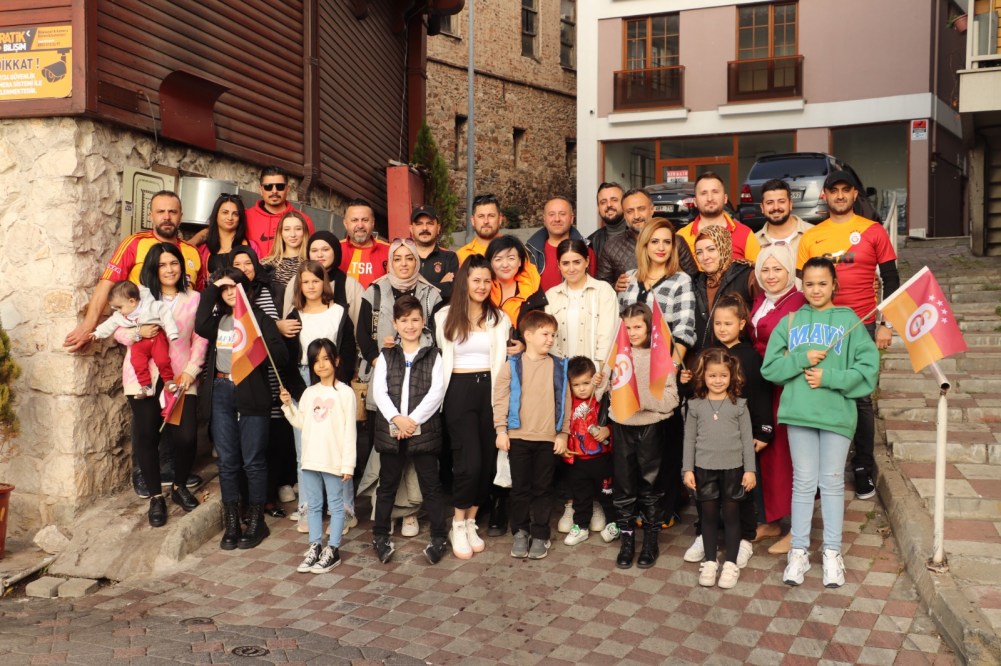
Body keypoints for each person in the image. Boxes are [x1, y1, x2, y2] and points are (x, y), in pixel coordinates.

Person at [761, 257, 879, 588]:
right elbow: (770, 368)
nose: (816, 290)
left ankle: (831, 552)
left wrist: (830, 378)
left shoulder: (849, 320)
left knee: (831, 482)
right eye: (810, 284)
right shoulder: (791, 321)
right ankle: (798, 551)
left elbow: (867, 371)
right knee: (803, 482)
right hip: (799, 412)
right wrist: (800, 359)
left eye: (822, 283)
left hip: (836, 415)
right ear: (802, 286)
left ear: (834, 285)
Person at [796, 170, 898, 501]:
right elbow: (802, 285)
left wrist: (886, 324)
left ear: (855, 194)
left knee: (861, 397)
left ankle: (862, 466)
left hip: (862, 325)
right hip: (824, 326)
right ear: (824, 195)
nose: (839, 195)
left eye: (845, 190)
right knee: (821, 392)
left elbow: (891, 279)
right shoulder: (812, 236)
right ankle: (823, 471)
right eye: (833, 190)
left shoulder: (873, 231)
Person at [109, 243, 207, 524]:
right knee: (147, 436)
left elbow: (201, 337)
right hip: (143, 378)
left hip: (181, 377)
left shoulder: (195, 298)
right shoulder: (139, 296)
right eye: (163, 265)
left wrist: (191, 370)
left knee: (186, 436)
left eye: (174, 263)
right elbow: (118, 331)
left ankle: (178, 486)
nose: (169, 269)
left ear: (181, 266)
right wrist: (138, 332)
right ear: (153, 268)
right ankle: (156, 497)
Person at [195, 267, 289, 550]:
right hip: (221, 390)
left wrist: (259, 343)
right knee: (227, 461)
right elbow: (200, 324)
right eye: (224, 289)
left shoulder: (259, 319)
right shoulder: (218, 320)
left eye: (234, 287)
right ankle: (232, 522)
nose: (229, 293)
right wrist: (214, 287)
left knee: (253, 460)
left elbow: (281, 357)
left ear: (245, 290)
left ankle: (257, 521)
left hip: (252, 392)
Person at [356, 239, 443, 537]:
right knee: (388, 461)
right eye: (398, 258)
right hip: (386, 385)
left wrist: (412, 419)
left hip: (420, 386)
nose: (404, 263)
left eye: (410, 258)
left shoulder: (432, 294)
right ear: (390, 262)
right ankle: (387, 515)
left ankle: (410, 513)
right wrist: (383, 360)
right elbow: (362, 334)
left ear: (417, 261)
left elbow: (438, 337)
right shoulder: (375, 291)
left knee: (420, 464)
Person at [617, 218, 696, 531]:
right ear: (644, 245)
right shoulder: (628, 280)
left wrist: (669, 372)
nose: (661, 247)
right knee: (635, 448)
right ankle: (636, 507)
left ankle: (665, 508)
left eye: (667, 241)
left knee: (664, 444)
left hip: (662, 371)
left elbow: (685, 330)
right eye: (655, 241)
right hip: (630, 372)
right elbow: (621, 328)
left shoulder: (680, 281)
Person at [435, 255, 512, 559]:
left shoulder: (500, 319)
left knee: (488, 462)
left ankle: (470, 522)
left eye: (486, 281)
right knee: (469, 462)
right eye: (476, 280)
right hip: (459, 390)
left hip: (491, 392)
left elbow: (506, 356)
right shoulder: (444, 316)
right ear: (464, 281)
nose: (481, 286)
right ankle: (457, 523)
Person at [64, 190, 202, 353]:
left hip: (181, 343)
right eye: (160, 211)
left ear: (181, 216)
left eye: (172, 212)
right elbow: (107, 283)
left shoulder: (193, 252)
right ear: (151, 215)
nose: (167, 217)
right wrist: (88, 326)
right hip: (144, 340)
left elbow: (199, 300)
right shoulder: (134, 243)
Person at [370, 296, 449, 565]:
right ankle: (380, 534)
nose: (410, 325)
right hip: (392, 430)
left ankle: (439, 536)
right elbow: (379, 392)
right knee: (387, 485)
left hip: (422, 430)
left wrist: (412, 421)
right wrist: (397, 419)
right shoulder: (387, 355)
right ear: (395, 323)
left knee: (431, 485)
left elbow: (436, 392)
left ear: (423, 322)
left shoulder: (433, 355)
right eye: (404, 320)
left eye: (415, 319)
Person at [285, 261, 356, 533]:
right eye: (305, 282)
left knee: (337, 448)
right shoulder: (294, 316)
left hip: (332, 382)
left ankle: (345, 510)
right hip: (303, 381)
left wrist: (337, 384)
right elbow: (288, 357)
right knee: (304, 450)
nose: (311, 286)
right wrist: (301, 393)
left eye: (315, 281)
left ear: (323, 283)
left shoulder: (339, 312)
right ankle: (307, 507)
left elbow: (347, 351)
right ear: (299, 286)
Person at [493, 310, 569, 560]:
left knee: (543, 489)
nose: (550, 339)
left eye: (553, 335)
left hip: (547, 439)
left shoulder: (558, 366)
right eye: (545, 334)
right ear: (528, 335)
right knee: (519, 489)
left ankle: (540, 534)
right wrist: (501, 430)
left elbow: (566, 402)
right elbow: (500, 399)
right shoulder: (512, 365)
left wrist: (563, 434)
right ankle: (520, 531)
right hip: (518, 437)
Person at [609, 303, 680, 570]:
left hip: (651, 428)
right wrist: (599, 383)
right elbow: (607, 391)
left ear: (649, 327)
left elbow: (672, 399)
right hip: (622, 425)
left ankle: (650, 540)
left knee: (650, 488)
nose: (632, 332)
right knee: (624, 488)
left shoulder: (659, 357)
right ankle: (627, 541)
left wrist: (642, 400)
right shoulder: (618, 355)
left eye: (637, 326)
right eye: (627, 328)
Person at [682, 348, 756, 589]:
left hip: (734, 469)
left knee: (733, 516)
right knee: (709, 516)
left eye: (723, 375)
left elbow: (747, 440)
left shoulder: (739, 405)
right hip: (704, 469)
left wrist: (750, 470)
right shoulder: (695, 406)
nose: (717, 380)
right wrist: (687, 469)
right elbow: (689, 440)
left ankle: (731, 564)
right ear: (703, 376)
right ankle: (710, 561)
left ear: (731, 376)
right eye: (712, 375)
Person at [747, 244, 805, 555]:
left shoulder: (798, 301)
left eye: (778, 269)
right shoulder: (761, 299)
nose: (771, 276)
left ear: (789, 270)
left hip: (786, 386)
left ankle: (798, 528)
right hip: (762, 386)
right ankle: (771, 519)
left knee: (790, 456)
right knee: (768, 455)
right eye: (765, 269)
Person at [280, 339, 355, 574]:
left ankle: (333, 549)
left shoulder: (345, 393)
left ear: (336, 360)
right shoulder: (309, 393)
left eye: (326, 359)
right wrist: (288, 406)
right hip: (311, 460)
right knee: (313, 505)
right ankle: (315, 546)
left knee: (336, 505)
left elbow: (350, 432)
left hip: (333, 461)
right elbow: (301, 422)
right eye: (316, 360)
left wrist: (348, 465)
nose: (321, 365)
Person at [231, 245, 295, 513]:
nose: (244, 268)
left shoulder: (272, 290)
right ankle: (247, 499)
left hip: (271, 371)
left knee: (274, 437)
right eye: (237, 264)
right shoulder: (229, 297)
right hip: (244, 375)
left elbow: (282, 325)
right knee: (248, 443)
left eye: (248, 263)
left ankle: (269, 495)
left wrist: (275, 327)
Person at [560, 356, 617, 546]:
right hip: (578, 460)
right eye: (576, 385)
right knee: (581, 497)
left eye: (586, 383)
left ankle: (614, 523)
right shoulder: (568, 404)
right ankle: (581, 526)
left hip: (602, 459)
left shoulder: (601, 399)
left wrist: (607, 430)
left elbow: (615, 420)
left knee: (607, 494)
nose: (582, 389)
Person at [596, 189, 697, 294]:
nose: (636, 216)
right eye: (630, 211)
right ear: (624, 215)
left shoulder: (676, 242)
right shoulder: (612, 246)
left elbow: (694, 281)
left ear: (652, 209)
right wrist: (614, 287)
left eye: (641, 209)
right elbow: (600, 288)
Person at [91, 281, 180, 398]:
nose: (118, 311)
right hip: (138, 341)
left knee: (162, 359)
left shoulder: (152, 306)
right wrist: (97, 333)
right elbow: (110, 324)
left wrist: (172, 333)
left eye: (119, 307)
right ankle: (146, 386)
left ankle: (169, 381)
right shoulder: (120, 316)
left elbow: (166, 316)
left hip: (156, 338)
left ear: (132, 302)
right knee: (137, 362)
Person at [545, 239, 619, 373]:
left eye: (577, 262)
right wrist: (560, 373)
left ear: (587, 261)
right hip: (561, 372)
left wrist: (598, 372)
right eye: (565, 263)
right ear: (558, 265)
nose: (571, 269)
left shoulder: (603, 291)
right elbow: (550, 339)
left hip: (594, 373)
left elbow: (607, 337)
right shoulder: (551, 295)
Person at [691, 225, 757, 358]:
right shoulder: (696, 282)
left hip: (739, 360)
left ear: (724, 248)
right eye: (699, 252)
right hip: (706, 362)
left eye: (711, 249)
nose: (705, 257)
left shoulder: (747, 276)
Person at [677, 172, 760, 264]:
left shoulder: (745, 234)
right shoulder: (681, 237)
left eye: (715, 192)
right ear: (695, 201)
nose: (710, 198)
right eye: (703, 193)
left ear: (725, 198)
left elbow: (757, 270)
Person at [525, 197, 595, 291]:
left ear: (571, 218)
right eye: (551, 214)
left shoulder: (586, 251)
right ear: (544, 219)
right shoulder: (530, 252)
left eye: (562, 214)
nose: (557, 219)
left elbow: (593, 289)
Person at [245, 166, 315, 256]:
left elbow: (311, 254)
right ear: (260, 190)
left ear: (288, 189)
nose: (274, 191)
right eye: (268, 187)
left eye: (280, 186)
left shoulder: (303, 220)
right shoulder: (246, 216)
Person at [486, 235, 546, 334]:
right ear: (490, 263)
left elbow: (540, 328)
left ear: (520, 262)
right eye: (498, 259)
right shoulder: (483, 289)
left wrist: (524, 341)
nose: (505, 265)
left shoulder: (532, 287)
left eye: (511, 258)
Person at [198, 194, 260, 275]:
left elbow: (259, 276)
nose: (230, 218)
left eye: (235, 214)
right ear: (216, 214)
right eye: (225, 212)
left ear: (240, 218)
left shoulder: (251, 246)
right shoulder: (204, 249)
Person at [410, 205, 459, 302]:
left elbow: (451, 291)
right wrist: (440, 285)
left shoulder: (450, 257)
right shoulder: (404, 257)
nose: (424, 228)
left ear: (438, 228)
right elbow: (400, 289)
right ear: (411, 229)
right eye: (419, 224)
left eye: (430, 223)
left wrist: (414, 287)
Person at [339, 198, 390, 289]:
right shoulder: (335, 249)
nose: (360, 225)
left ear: (373, 223)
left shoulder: (389, 250)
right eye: (354, 220)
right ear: (345, 224)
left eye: (365, 220)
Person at [261, 210, 309, 306]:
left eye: (298, 229)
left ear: (304, 232)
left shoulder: (311, 264)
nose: (293, 234)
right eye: (287, 229)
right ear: (280, 233)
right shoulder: (265, 264)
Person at [753, 179, 814, 255]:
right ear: (762, 207)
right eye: (770, 203)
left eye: (781, 201)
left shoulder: (813, 233)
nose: (776, 207)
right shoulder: (754, 241)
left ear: (790, 204)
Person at [455, 193, 504, 265]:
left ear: (500, 219)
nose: (486, 221)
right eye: (481, 216)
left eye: (491, 216)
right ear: (473, 221)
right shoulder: (460, 256)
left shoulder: (515, 251)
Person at [587, 182, 626, 261]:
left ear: (625, 204)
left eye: (614, 200)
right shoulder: (592, 242)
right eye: (603, 202)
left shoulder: (639, 236)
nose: (609, 205)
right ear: (598, 208)